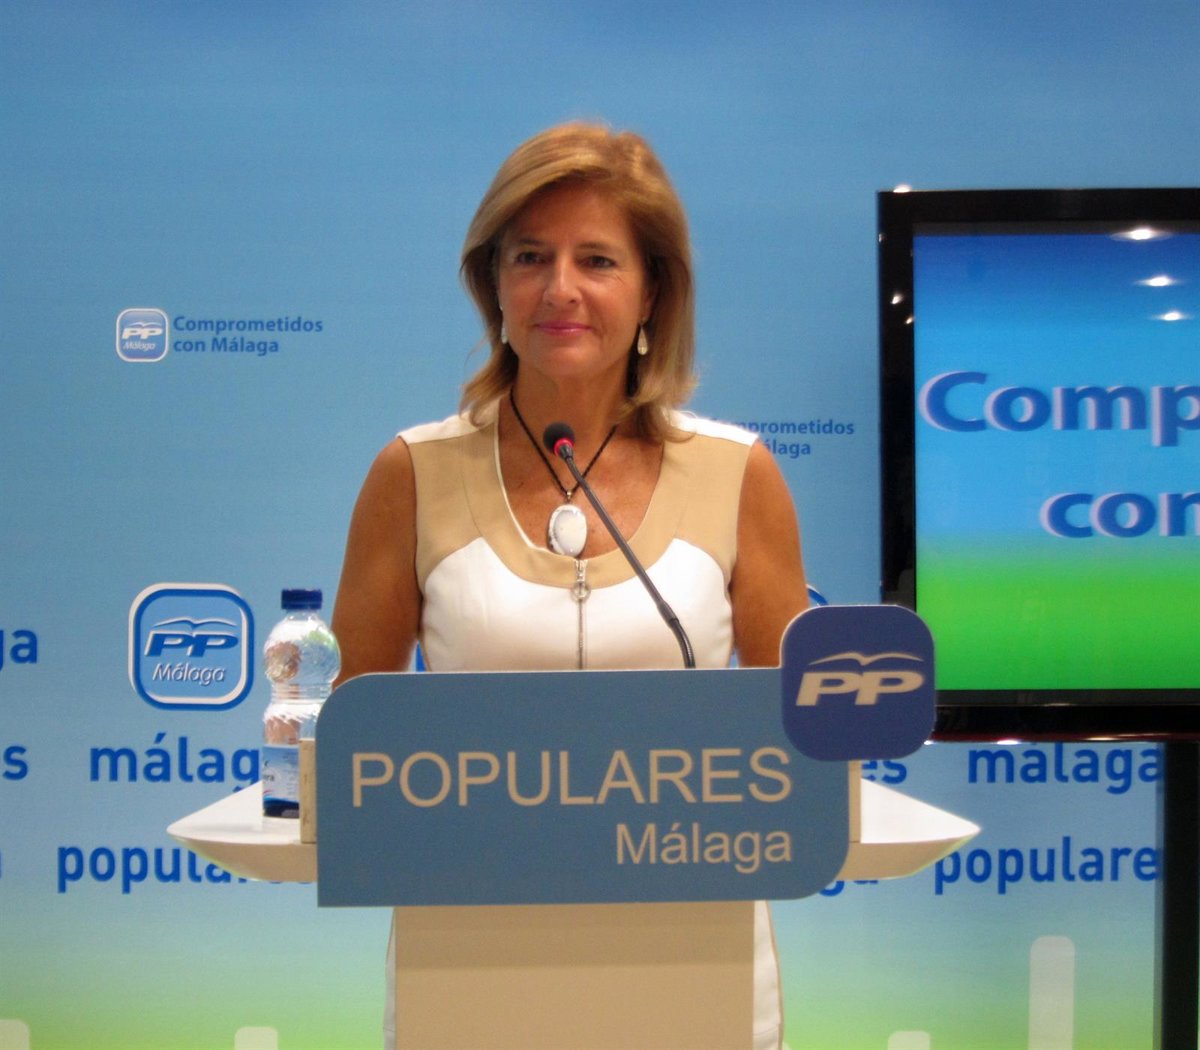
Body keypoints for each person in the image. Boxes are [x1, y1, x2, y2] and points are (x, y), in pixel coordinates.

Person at [331, 121, 808, 1050]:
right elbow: (349, 736)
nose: (560, 289)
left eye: (597, 260)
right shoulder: (412, 473)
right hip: (469, 970)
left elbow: (796, 740)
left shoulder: (738, 473)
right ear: (493, 284)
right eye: (529, 257)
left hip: (694, 966)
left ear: (652, 290)